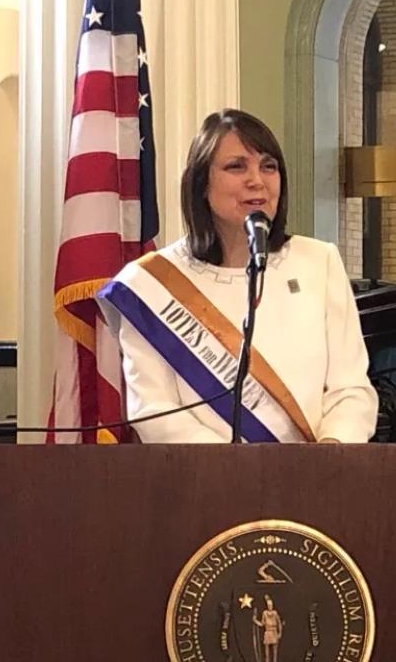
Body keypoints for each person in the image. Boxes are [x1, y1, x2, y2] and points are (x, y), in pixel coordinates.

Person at [97, 108, 378, 443]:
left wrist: (330, 451)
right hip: (205, 483)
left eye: (268, 166)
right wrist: (237, 472)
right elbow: (153, 410)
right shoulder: (150, 284)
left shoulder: (319, 262)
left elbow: (351, 389)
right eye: (236, 166)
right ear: (201, 183)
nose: (256, 180)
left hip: (314, 481)